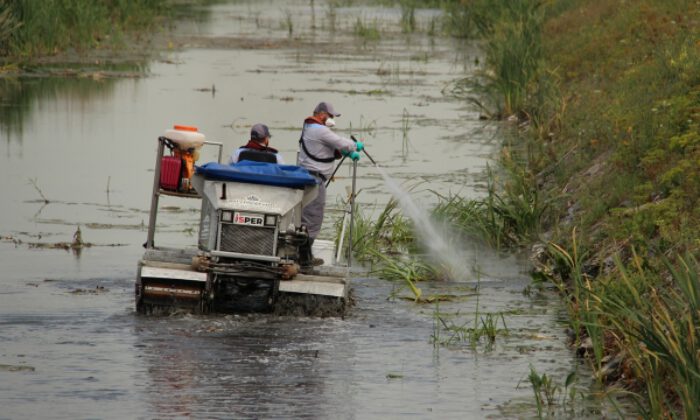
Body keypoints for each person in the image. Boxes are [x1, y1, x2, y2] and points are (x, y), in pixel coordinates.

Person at [297, 101, 364, 271]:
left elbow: (325, 149)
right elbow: (341, 142)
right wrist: (354, 146)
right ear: (321, 114)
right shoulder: (318, 129)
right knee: (313, 218)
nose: (332, 119)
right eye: (331, 116)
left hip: (311, 178)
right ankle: (303, 260)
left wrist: (344, 153)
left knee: (308, 218)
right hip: (313, 180)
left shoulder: (310, 127)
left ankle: (305, 256)